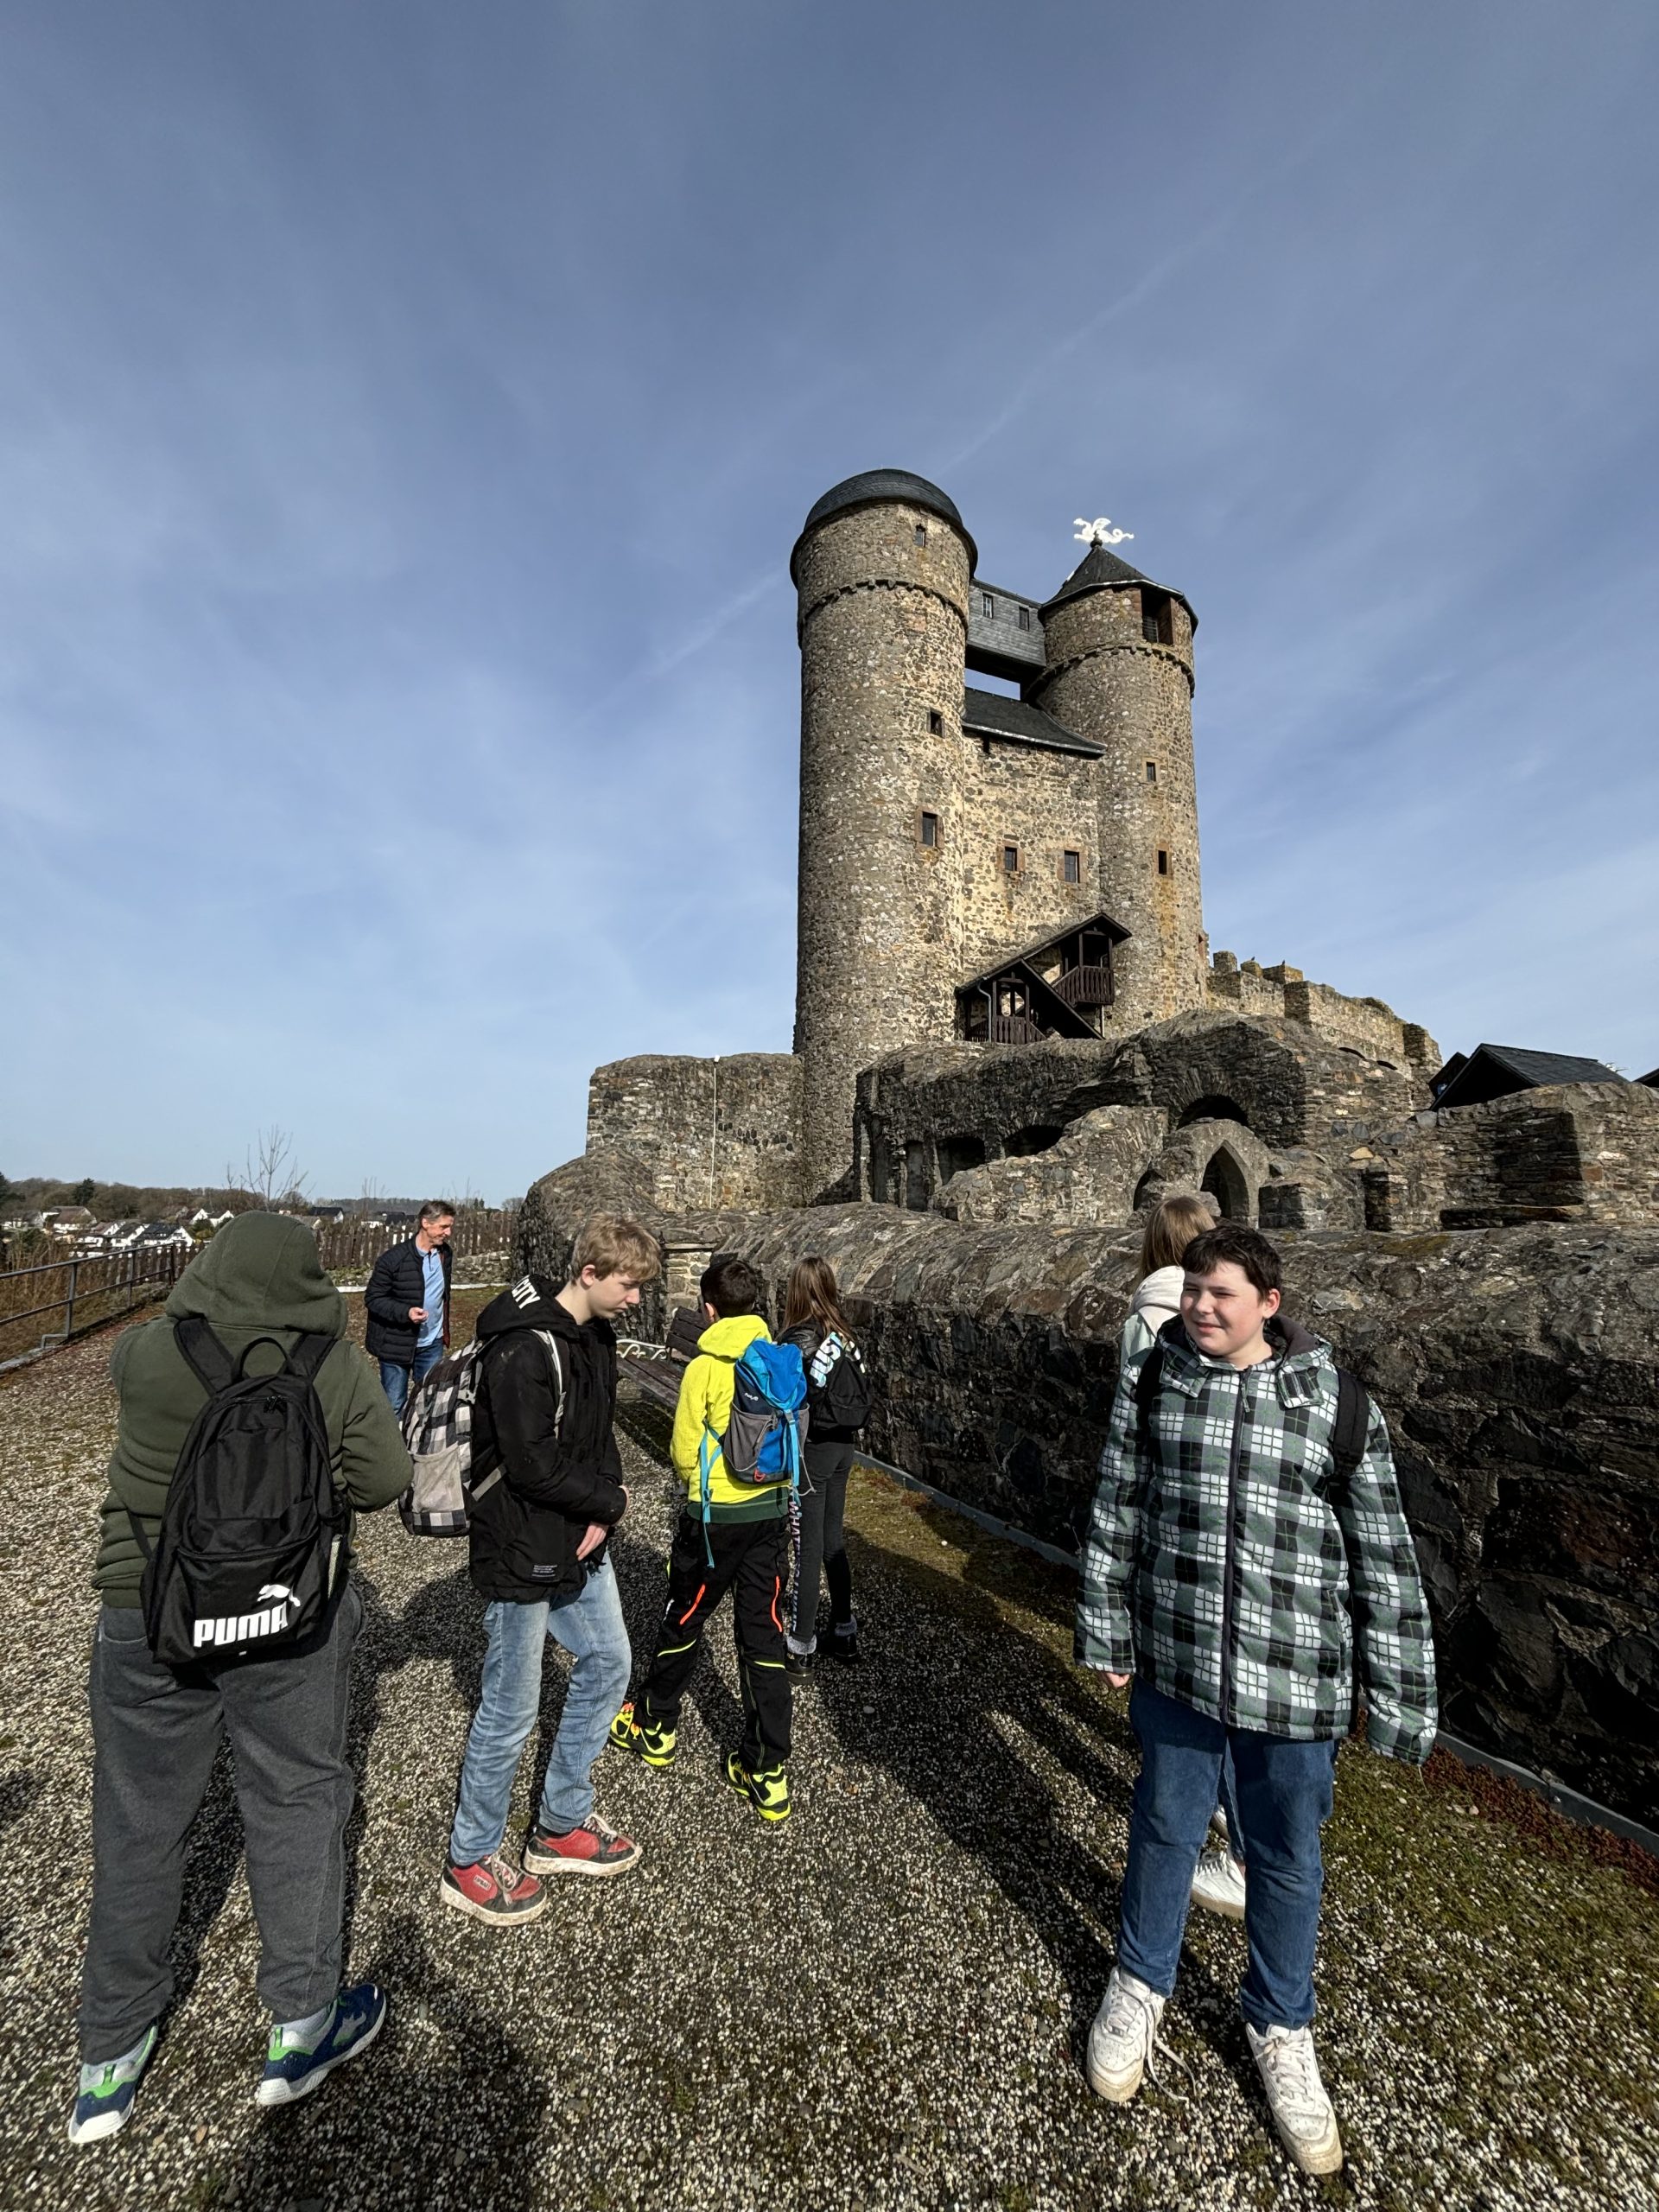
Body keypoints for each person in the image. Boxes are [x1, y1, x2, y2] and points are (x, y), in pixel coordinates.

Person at [1077, 1223, 1437, 2178]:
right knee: (1162, 1825)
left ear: (1269, 1304)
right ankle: (1140, 1982)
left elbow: (1386, 1557)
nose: (1198, 1306)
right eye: (1193, 1289)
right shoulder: (1156, 1381)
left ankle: (1282, 2026)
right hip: (1183, 1662)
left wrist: (1399, 1696)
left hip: (1294, 1674)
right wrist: (1108, 1628)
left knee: (1284, 1858)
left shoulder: (1336, 1402)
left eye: (1220, 1293)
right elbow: (1119, 1507)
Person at [70, 1212, 411, 2145]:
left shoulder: (147, 1353)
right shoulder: (330, 1369)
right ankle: (301, 2023)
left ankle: (110, 2055)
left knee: (138, 1819)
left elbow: (131, 1390)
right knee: (297, 1799)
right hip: (285, 1615)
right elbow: (384, 1479)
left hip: (148, 1608)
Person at [441, 1213, 660, 1926]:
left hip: (579, 1539)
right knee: (510, 1710)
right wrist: (609, 1500)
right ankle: (469, 1860)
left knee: (608, 1663)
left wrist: (606, 1509)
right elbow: (529, 1464)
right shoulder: (521, 1349)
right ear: (590, 1275)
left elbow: (599, 1434)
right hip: (519, 1545)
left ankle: (559, 1824)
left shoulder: (595, 1335)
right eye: (628, 1287)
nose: (636, 1301)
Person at [609, 1254, 797, 1823]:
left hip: (716, 1519)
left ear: (710, 1308)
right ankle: (766, 1771)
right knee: (764, 1635)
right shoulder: (779, 1359)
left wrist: (699, 1497)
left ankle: (656, 1725)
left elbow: (684, 1448)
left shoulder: (706, 1365)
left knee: (685, 1616)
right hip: (770, 1514)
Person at [1124, 1194, 1247, 1923]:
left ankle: (1209, 1817)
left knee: (1183, 1690)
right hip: (1230, 1532)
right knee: (1226, 1676)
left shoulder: (1146, 1316)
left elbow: (1130, 1431)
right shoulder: (1237, 1324)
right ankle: (1232, 1818)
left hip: (1167, 1527)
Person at [780, 1255, 869, 1674]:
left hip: (812, 1451)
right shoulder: (847, 1335)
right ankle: (845, 1629)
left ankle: (800, 1643)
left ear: (796, 1292)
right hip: (844, 1448)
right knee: (833, 1540)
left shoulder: (797, 1340)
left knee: (808, 1547)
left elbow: (785, 1399)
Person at [365, 1201, 454, 1414]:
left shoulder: (445, 1255)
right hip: (396, 1343)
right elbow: (373, 1298)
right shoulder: (393, 1260)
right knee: (395, 1404)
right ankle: (394, 1447)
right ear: (426, 1223)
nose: (449, 1232)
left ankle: (421, 1446)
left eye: (450, 1227)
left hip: (432, 1342)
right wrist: (405, 1313)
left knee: (428, 1402)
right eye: (444, 1227)